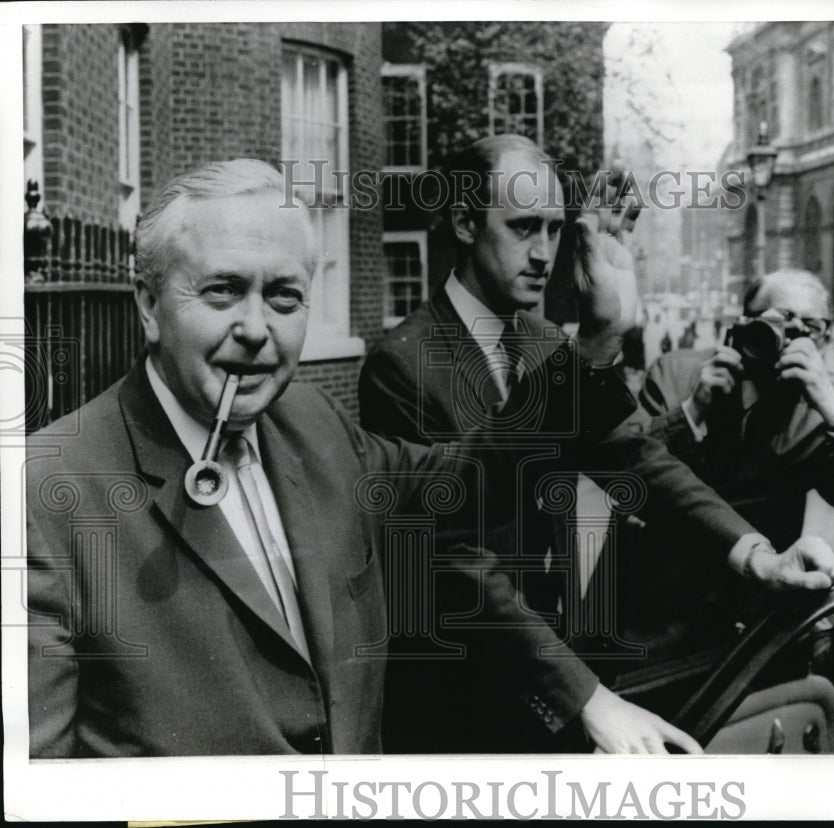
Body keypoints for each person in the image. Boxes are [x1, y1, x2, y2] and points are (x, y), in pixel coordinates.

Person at [24, 158, 663, 758]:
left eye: (284, 297)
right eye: (222, 291)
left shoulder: (310, 423)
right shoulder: (44, 493)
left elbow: (467, 484)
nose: (255, 329)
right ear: (147, 305)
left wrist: (598, 339)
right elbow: (35, 793)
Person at [359, 137, 834, 753]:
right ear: (464, 221)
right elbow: (455, 564)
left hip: (567, 680)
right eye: (523, 228)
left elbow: (637, 457)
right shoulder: (400, 365)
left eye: (555, 230)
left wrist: (755, 554)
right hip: (472, 702)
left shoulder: (541, 341)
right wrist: (587, 698)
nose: (543, 253)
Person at [633, 268, 834, 643]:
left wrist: (832, 407)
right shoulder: (676, 373)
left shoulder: (825, 408)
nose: (786, 339)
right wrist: (693, 411)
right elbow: (627, 484)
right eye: (776, 322)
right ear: (744, 323)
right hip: (658, 611)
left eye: (808, 328)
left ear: (825, 338)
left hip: (758, 622)